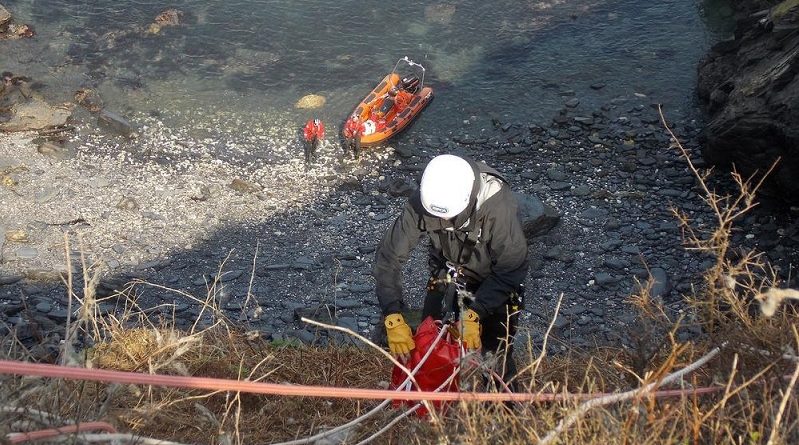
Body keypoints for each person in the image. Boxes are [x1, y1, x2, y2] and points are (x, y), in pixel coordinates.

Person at [374, 154, 528, 389]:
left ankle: (502, 410)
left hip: (495, 281)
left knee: (494, 352)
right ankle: (435, 399)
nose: (442, 220)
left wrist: (476, 313)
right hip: (447, 271)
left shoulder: (497, 205)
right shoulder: (427, 198)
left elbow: (512, 266)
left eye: (448, 216)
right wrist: (392, 313)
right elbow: (389, 257)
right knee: (429, 335)